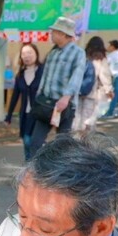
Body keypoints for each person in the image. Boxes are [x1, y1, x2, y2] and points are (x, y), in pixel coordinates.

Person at [28, 17, 86, 157]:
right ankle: (35, 172)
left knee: (63, 145)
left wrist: (66, 98)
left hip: (65, 105)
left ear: (63, 34)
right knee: (35, 143)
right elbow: (45, 77)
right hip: (46, 104)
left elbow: (76, 77)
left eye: (54, 31)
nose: (51, 34)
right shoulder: (52, 53)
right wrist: (39, 96)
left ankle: (61, 175)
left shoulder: (78, 53)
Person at [5, 44, 43, 161]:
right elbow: (15, 96)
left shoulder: (43, 71)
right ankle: (29, 167)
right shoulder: (20, 75)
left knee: (35, 142)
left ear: (36, 53)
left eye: (30, 52)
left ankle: (37, 167)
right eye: (24, 53)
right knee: (27, 141)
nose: (27, 56)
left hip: (40, 113)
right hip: (26, 114)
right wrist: (9, 116)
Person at [73, 36, 112, 133]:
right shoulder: (100, 58)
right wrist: (108, 90)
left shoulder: (82, 56)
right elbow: (104, 76)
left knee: (77, 116)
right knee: (88, 119)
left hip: (78, 91)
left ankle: (75, 138)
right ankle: (86, 142)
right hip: (92, 93)